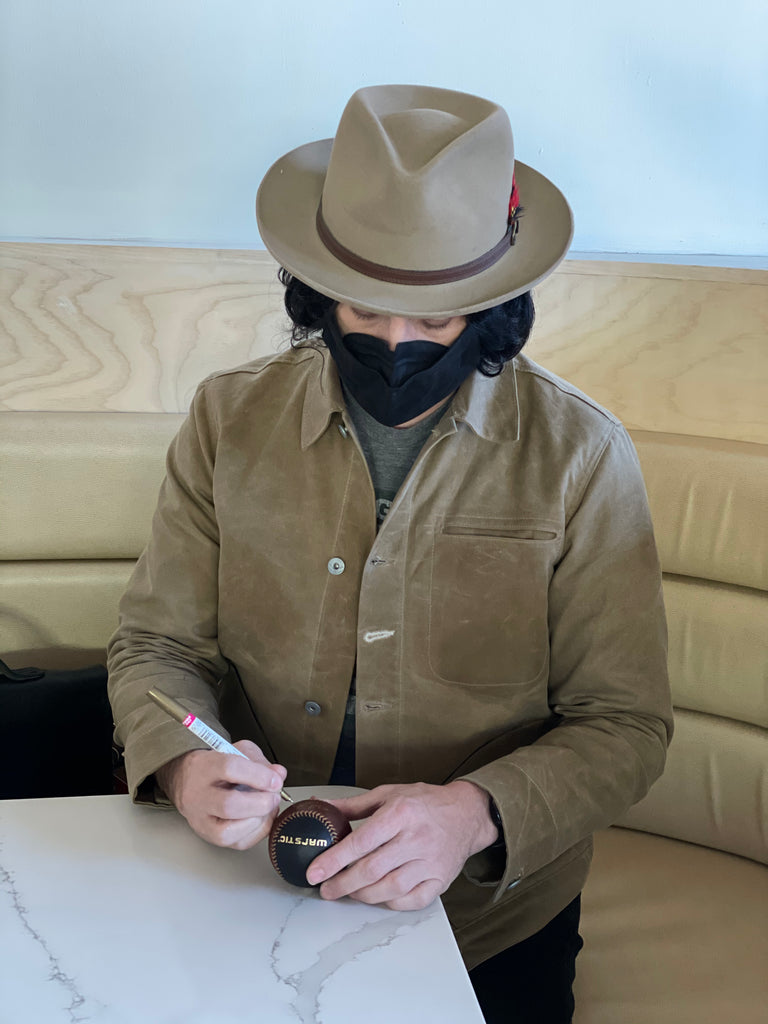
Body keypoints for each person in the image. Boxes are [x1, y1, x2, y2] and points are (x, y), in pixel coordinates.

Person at [107, 84, 672, 1023]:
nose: (395, 344)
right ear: (317, 288)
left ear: (491, 308)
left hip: (491, 913)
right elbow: (156, 648)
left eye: (436, 318)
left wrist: (474, 813)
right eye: (363, 310)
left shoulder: (582, 454)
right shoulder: (226, 418)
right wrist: (181, 763)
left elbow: (624, 722)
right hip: (245, 883)